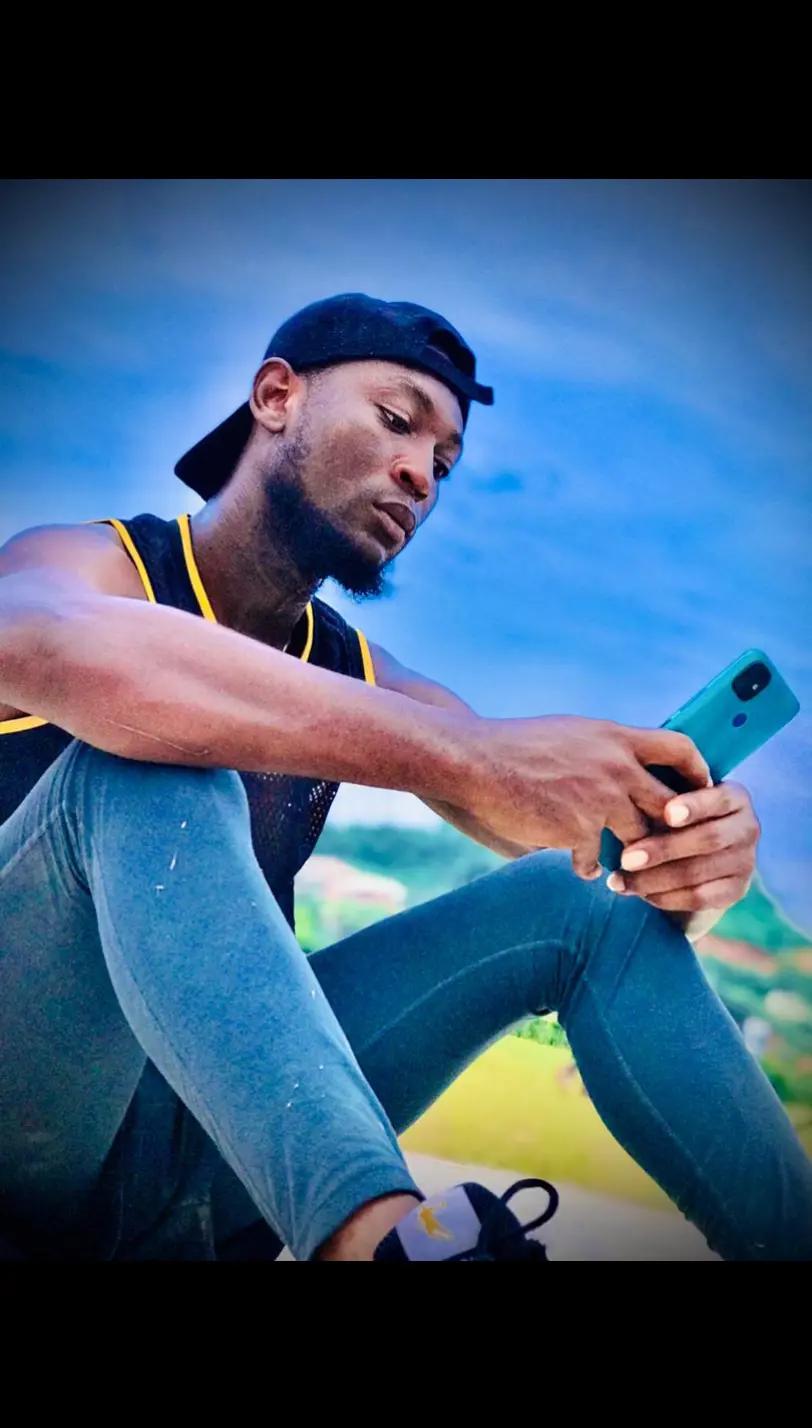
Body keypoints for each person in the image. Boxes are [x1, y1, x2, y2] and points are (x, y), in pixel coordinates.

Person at [1, 293, 810, 1263]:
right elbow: (43, 642)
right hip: (25, 1125)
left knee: (580, 908)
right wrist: (472, 756)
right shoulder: (83, 565)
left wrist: (675, 863)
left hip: (190, 1170)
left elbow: (541, 815)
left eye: (445, 463)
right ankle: (380, 1244)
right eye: (396, 420)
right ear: (275, 397)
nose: (421, 473)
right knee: (148, 763)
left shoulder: (358, 669)